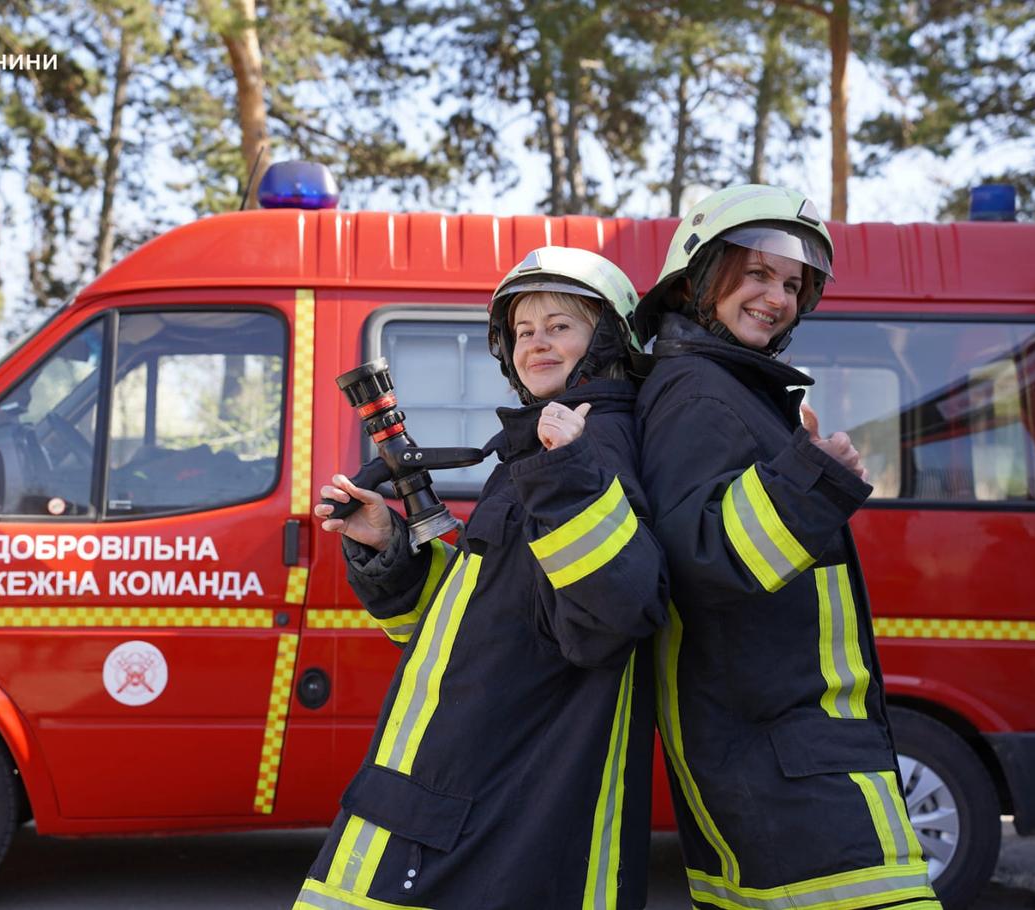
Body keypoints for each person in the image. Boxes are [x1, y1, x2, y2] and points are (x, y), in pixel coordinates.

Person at [293, 246, 668, 910]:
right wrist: (388, 544)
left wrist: (570, 474)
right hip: (453, 791)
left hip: (487, 797)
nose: (536, 343)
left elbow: (615, 616)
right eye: (523, 331)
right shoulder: (544, 449)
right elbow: (476, 619)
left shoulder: (590, 447)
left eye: (559, 325)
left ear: (607, 337)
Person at [631, 185, 942, 910]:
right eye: (758, 274)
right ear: (702, 279)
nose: (779, 297)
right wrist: (813, 478)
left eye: (794, 284)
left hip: (788, 757)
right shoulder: (699, 393)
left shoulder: (731, 387)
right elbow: (699, 558)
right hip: (782, 763)